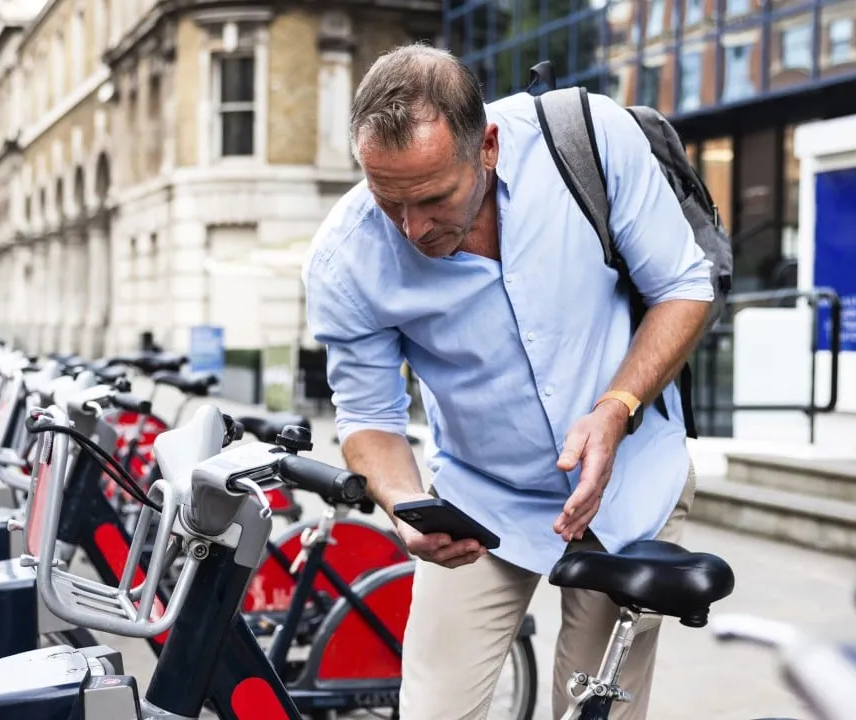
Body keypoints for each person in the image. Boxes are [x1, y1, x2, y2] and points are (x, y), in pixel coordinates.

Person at [302, 44, 714, 719]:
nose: (413, 229)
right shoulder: (345, 261)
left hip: (632, 480)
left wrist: (616, 407)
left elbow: (683, 287)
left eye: (434, 197)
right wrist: (404, 503)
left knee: (595, 709)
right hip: (482, 504)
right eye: (389, 201)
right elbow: (367, 417)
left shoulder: (589, 140)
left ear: (486, 146)